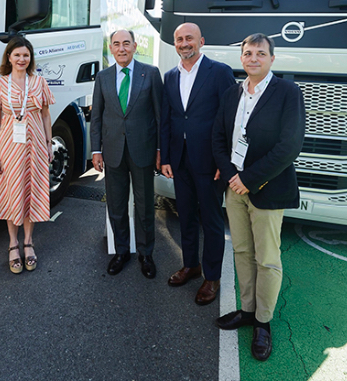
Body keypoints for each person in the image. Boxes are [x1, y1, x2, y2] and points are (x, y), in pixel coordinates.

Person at [212, 33, 305, 361]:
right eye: (248, 53)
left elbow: (290, 145)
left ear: (271, 59)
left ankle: (264, 322)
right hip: (234, 188)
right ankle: (248, 311)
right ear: (242, 58)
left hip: (266, 188)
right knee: (241, 252)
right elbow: (219, 137)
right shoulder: (231, 94)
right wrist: (230, 174)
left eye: (260, 53)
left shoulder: (288, 93)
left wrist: (249, 179)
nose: (253, 58)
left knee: (267, 258)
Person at [160, 22, 235, 304]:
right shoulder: (170, 76)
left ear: (201, 41)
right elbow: (167, 119)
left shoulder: (219, 72)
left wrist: (224, 162)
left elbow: (230, 118)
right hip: (179, 160)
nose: (184, 43)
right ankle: (191, 265)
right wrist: (165, 157)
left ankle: (212, 278)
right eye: (179, 39)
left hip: (210, 163)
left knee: (212, 221)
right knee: (186, 216)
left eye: (189, 38)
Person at [91, 29, 163, 278]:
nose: (121, 48)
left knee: (144, 207)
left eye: (126, 43)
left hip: (143, 150)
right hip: (112, 152)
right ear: (110, 48)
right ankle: (121, 251)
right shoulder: (103, 77)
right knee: (117, 205)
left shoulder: (151, 73)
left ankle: (146, 254)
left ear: (134, 46)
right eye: (116, 44)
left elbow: (159, 116)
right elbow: (97, 117)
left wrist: (159, 149)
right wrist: (96, 150)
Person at [0, 35, 55, 274]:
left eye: (26, 55)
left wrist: (48, 144)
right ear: (9, 57)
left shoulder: (39, 83)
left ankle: (29, 242)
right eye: (17, 55)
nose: (22, 59)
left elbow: (45, 115)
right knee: (12, 192)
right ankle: (13, 243)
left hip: (34, 147)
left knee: (30, 192)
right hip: (9, 148)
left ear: (30, 58)